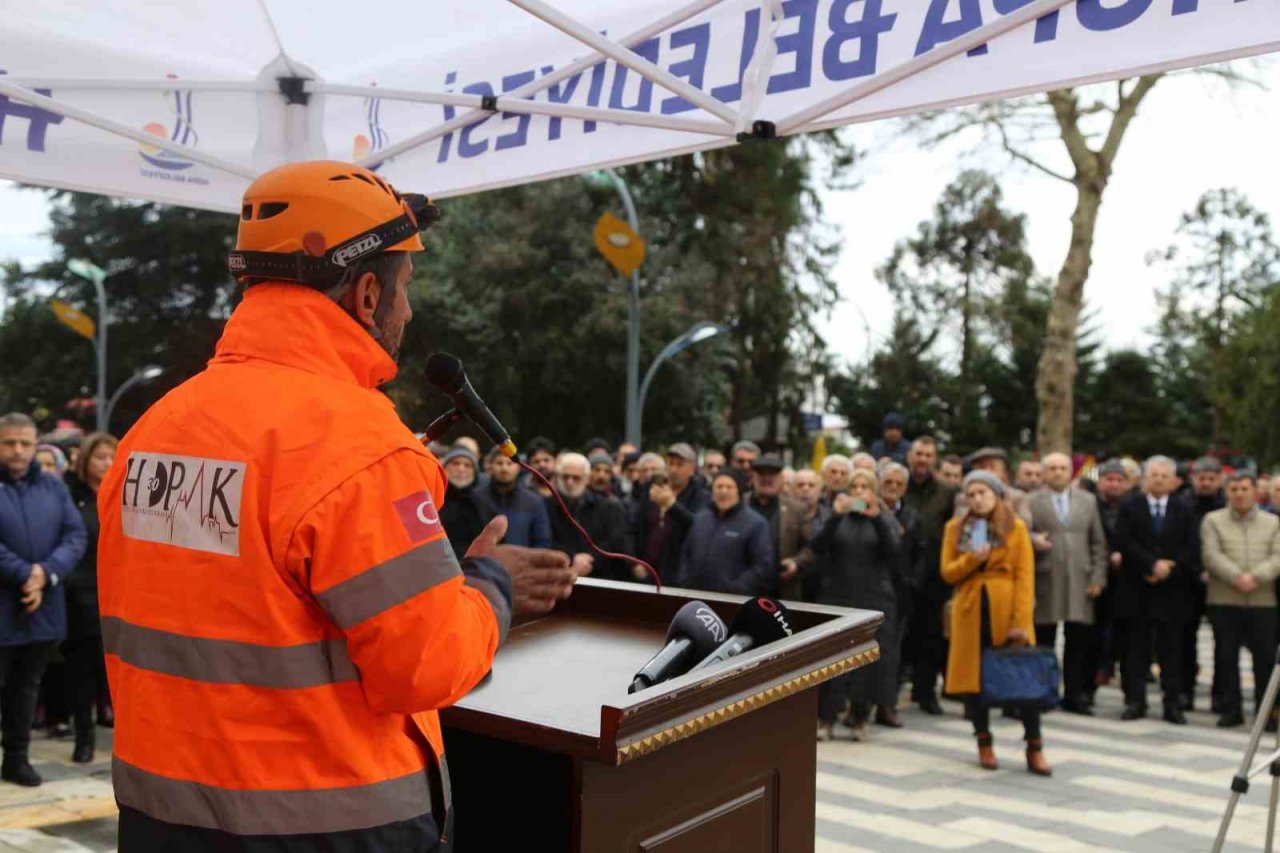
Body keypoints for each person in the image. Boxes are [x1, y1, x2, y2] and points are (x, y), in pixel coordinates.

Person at [96, 162, 577, 850]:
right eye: (406, 290)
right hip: (325, 827)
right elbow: (428, 663)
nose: (407, 313)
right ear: (368, 293)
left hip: (158, 819)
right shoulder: (358, 445)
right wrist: (491, 585)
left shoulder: (151, 431)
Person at [942, 470, 1050, 776]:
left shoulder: (1015, 528)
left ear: (997, 494)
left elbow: (1025, 578)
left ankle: (1034, 746)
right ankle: (984, 742)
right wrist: (973, 559)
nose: (977, 499)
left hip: (1007, 611)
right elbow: (948, 572)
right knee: (975, 681)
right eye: (971, 494)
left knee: (1022, 678)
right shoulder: (955, 528)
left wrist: (1021, 621)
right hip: (971, 610)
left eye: (983, 493)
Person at [0, 413, 86, 786]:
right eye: (9, 443)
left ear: (36, 445)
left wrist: (45, 573)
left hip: (42, 609)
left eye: (25, 443)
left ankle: (17, 759)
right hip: (6, 601)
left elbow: (75, 535)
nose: (18, 450)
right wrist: (26, 574)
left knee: (26, 686)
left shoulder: (53, 487)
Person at [812, 469, 903, 738]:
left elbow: (895, 553)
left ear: (873, 491)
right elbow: (817, 546)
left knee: (867, 661)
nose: (860, 492)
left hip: (873, 598)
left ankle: (859, 716)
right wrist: (836, 517)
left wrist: (876, 519)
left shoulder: (883, 519)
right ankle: (825, 718)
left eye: (866, 487)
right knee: (830, 660)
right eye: (856, 487)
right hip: (837, 596)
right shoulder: (837, 516)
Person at [1113, 456, 1199, 725]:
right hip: (1138, 587)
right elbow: (1124, 541)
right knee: (1135, 649)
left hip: (1173, 591)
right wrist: (1150, 565)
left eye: (1164, 475)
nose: (1159, 479)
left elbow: (1191, 546)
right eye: (1154, 475)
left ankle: (1172, 703)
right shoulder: (1130, 505)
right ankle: (1135, 701)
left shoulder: (1184, 508)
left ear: (1173, 480)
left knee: (1172, 650)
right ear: (1144, 479)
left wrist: (1168, 567)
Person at [1028, 452, 1108, 714]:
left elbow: (1098, 542)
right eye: (1052, 468)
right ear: (1044, 472)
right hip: (1045, 578)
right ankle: (1044, 693)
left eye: (1062, 468)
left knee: (1078, 642)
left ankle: (1075, 695)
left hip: (1080, 580)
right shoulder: (1031, 501)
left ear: (1070, 472)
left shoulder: (1088, 501)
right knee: (1044, 641)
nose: (1058, 473)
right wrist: (1033, 539)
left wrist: (1098, 576)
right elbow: (1019, 531)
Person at [1202, 471, 1279, 729]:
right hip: (1224, 599)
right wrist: (1237, 577)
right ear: (1227, 492)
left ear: (1255, 491)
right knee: (1226, 656)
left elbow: (1278, 557)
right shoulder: (1213, 520)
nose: (1239, 493)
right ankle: (1231, 709)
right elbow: (1211, 555)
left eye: (1244, 488)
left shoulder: (1273, 522)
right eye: (1234, 489)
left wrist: (1255, 577)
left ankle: (1265, 712)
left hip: (1263, 601)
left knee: (1265, 658)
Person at [60, 432, 117, 764]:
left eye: (112, 457)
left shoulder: (122, 493)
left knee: (108, 670)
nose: (107, 464)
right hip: (80, 593)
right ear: (85, 461)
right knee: (81, 671)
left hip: (116, 593)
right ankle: (83, 737)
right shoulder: (70, 495)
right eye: (99, 458)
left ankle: (108, 723)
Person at [902, 437, 957, 716]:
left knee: (931, 637)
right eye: (918, 454)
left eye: (928, 454)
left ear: (934, 459)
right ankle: (890, 696)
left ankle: (925, 693)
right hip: (900, 572)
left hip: (935, 575)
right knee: (900, 634)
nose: (922, 459)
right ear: (910, 456)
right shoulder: (898, 483)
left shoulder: (947, 492)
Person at [677, 471, 773, 596]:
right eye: (719, 486)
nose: (724, 491)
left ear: (738, 490)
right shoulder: (701, 518)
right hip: (695, 596)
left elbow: (763, 563)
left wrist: (739, 587)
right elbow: (686, 552)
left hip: (732, 599)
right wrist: (683, 579)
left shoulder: (756, 523)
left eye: (729, 487)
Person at [547, 453, 633, 582]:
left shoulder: (608, 507)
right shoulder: (545, 506)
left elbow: (616, 541)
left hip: (599, 579)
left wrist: (590, 558)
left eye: (576, 478)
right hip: (557, 577)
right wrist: (572, 558)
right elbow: (543, 539)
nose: (570, 482)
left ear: (587, 478)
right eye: (566, 477)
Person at [631, 444, 710, 584]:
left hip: (678, 576)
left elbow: (698, 527)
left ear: (692, 468)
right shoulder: (653, 490)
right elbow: (635, 528)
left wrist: (672, 506)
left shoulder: (701, 496)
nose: (673, 469)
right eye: (671, 464)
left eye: (680, 465)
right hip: (646, 571)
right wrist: (635, 561)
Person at [1186, 456, 1226, 712]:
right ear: (1194, 479)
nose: (1206, 483)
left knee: (1223, 641)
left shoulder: (1226, 504)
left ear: (1219, 480)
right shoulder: (1183, 505)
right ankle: (1185, 691)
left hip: (1222, 582)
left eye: (1211, 479)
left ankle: (1221, 696)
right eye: (1202, 478)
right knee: (1185, 640)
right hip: (1188, 583)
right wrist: (1196, 570)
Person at [880, 462, 923, 689]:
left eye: (898, 483)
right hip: (870, 586)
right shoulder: (864, 507)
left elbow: (919, 553)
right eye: (888, 482)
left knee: (892, 648)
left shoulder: (913, 515)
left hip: (900, 590)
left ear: (905, 488)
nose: (893, 487)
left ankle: (888, 703)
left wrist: (912, 582)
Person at [747, 455, 811, 600]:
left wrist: (796, 561)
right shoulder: (739, 503)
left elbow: (810, 546)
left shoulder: (797, 509)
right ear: (753, 478)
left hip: (780, 589)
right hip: (742, 589)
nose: (767, 479)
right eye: (762, 474)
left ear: (782, 479)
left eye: (773, 474)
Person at [483, 447, 553, 549]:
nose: (504, 468)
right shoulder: (477, 498)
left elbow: (542, 542)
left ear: (518, 467)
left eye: (509, 463)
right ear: (490, 467)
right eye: (499, 463)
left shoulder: (534, 502)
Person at [439, 446, 493, 560]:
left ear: (474, 472)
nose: (461, 469)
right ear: (445, 468)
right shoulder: (433, 501)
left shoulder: (483, 504)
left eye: (467, 465)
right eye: (456, 463)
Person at [962, 447, 1033, 524]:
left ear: (1003, 471)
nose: (987, 471)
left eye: (992, 467)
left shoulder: (1018, 497)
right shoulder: (964, 497)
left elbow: (1026, 525)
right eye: (982, 467)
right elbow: (960, 525)